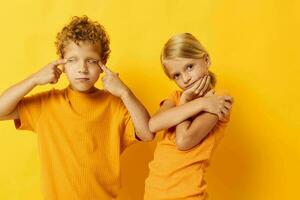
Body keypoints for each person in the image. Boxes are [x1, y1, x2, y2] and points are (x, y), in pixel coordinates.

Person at [0, 16, 154, 199]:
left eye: (91, 60)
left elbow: (147, 133)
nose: (82, 68)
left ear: (103, 64)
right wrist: (34, 79)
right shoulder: (47, 104)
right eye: (73, 60)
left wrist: (125, 93)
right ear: (61, 64)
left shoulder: (115, 105)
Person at [144, 33, 233, 199]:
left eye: (189, 67)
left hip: (187, 195)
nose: (185, 78)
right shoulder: (176, 98)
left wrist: (199, 103)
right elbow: (153, 125)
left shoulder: (219, 100)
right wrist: (193, 102)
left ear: (206, 60)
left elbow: (184, 141)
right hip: (154, 193)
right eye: (176, 75)